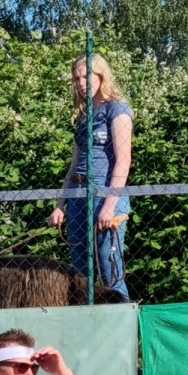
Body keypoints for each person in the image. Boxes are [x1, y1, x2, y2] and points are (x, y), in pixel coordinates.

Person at [48, 53, 132, 300]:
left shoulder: (118, 108)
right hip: (77, 196)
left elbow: (123, 160)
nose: (81, 83)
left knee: (110, 271)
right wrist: (60, 205)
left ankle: (122, 321)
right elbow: (74, 164)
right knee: (80, 275)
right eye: (76, 78)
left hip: (104, 196)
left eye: (86, 76)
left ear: (101, 76)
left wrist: (109, 205)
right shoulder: (84, 115)